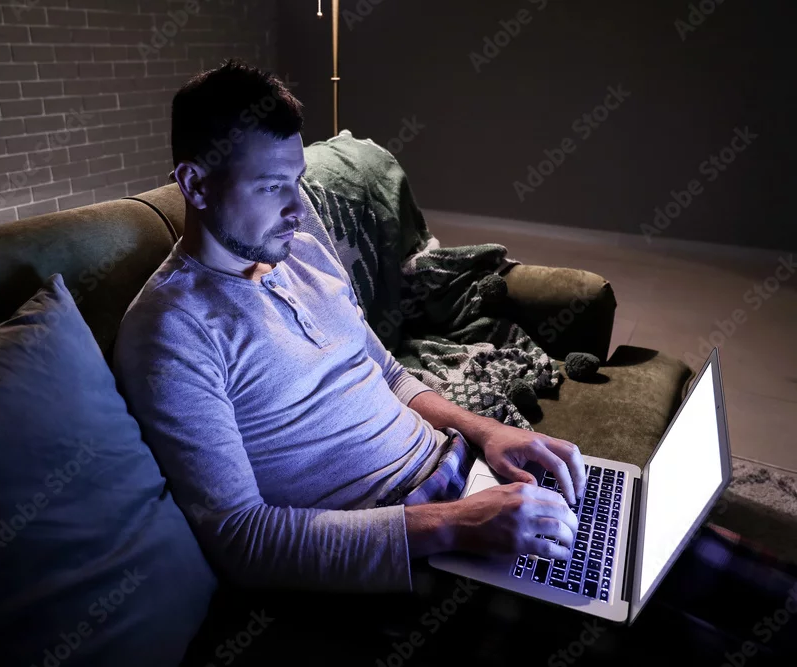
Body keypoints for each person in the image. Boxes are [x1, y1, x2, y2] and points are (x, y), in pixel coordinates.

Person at [113, 59, 586, 593]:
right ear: (195, 184)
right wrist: (458, 525)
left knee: (635, 547)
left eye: (297, 181)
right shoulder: (170, 330)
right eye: (271, 187)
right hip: (404, 545)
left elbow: (388, 373)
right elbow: (242, 539)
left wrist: (487, 431)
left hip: (465, 471)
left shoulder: (302, 251)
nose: (298, 209)